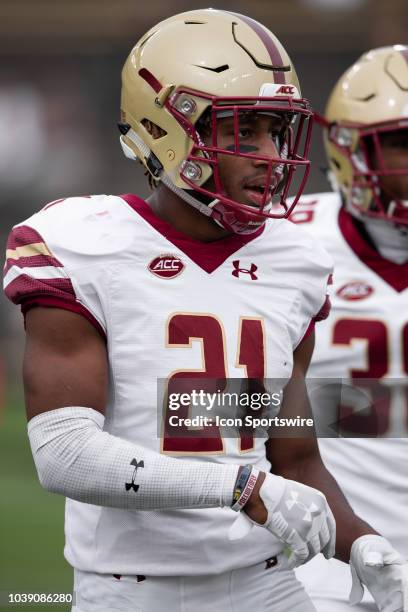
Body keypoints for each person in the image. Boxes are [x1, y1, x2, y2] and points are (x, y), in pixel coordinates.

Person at [2, 10, 404, 612]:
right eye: (244, 132)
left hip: (270, 585)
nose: (270, 155)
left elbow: (293, 453)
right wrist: (239, 488)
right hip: (130, 592)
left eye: (276, 132)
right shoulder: (80, 240)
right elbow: (64, 453)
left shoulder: (295, 259)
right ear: (165, 128)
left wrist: (362, 541)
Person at [293, 46, 408, 611]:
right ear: (350, 151)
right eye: (403, 143)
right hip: (329, 568)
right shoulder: (283, 241)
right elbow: (198, 405)